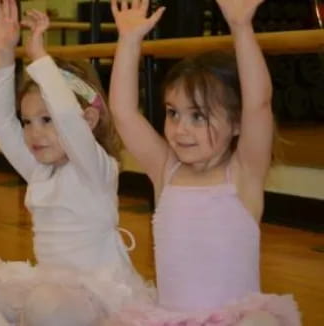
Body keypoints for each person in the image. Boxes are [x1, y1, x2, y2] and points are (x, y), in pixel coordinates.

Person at [0, 1, 152, 325]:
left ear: (89, 119)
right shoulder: (38, 170)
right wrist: (2, 55)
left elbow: (69, 121)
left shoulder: (97, 171)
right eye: (27, 122)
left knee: (44, 305)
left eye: (46, 119)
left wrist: (41, 58)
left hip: (94, 295)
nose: (33, 133)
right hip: (47, 288)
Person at [106, 0, 300, 324]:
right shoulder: (166, 170)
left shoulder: (243, 173)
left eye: (198, 116)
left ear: (237, 124)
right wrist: (128, 42)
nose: (181, 129)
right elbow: (124, 112)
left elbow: (259, 103)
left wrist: (241, 28)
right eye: (173, 113)